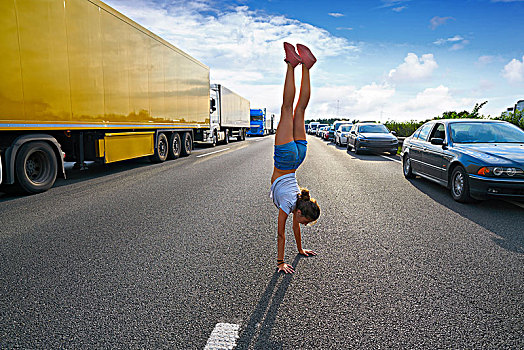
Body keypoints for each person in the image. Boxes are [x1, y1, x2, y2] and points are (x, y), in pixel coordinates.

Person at [270, 42, 321, 274]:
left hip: (299, 157)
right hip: (285, 159)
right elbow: (281, 233)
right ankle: (292, 65)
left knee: (299, 110)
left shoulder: (298, 202)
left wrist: (300, 249)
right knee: (287, 108)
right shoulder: (288, 205)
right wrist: (281, 262)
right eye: (304, 221)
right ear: (299, 212)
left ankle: (307, 67)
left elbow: (294, 229)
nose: (302, 225)